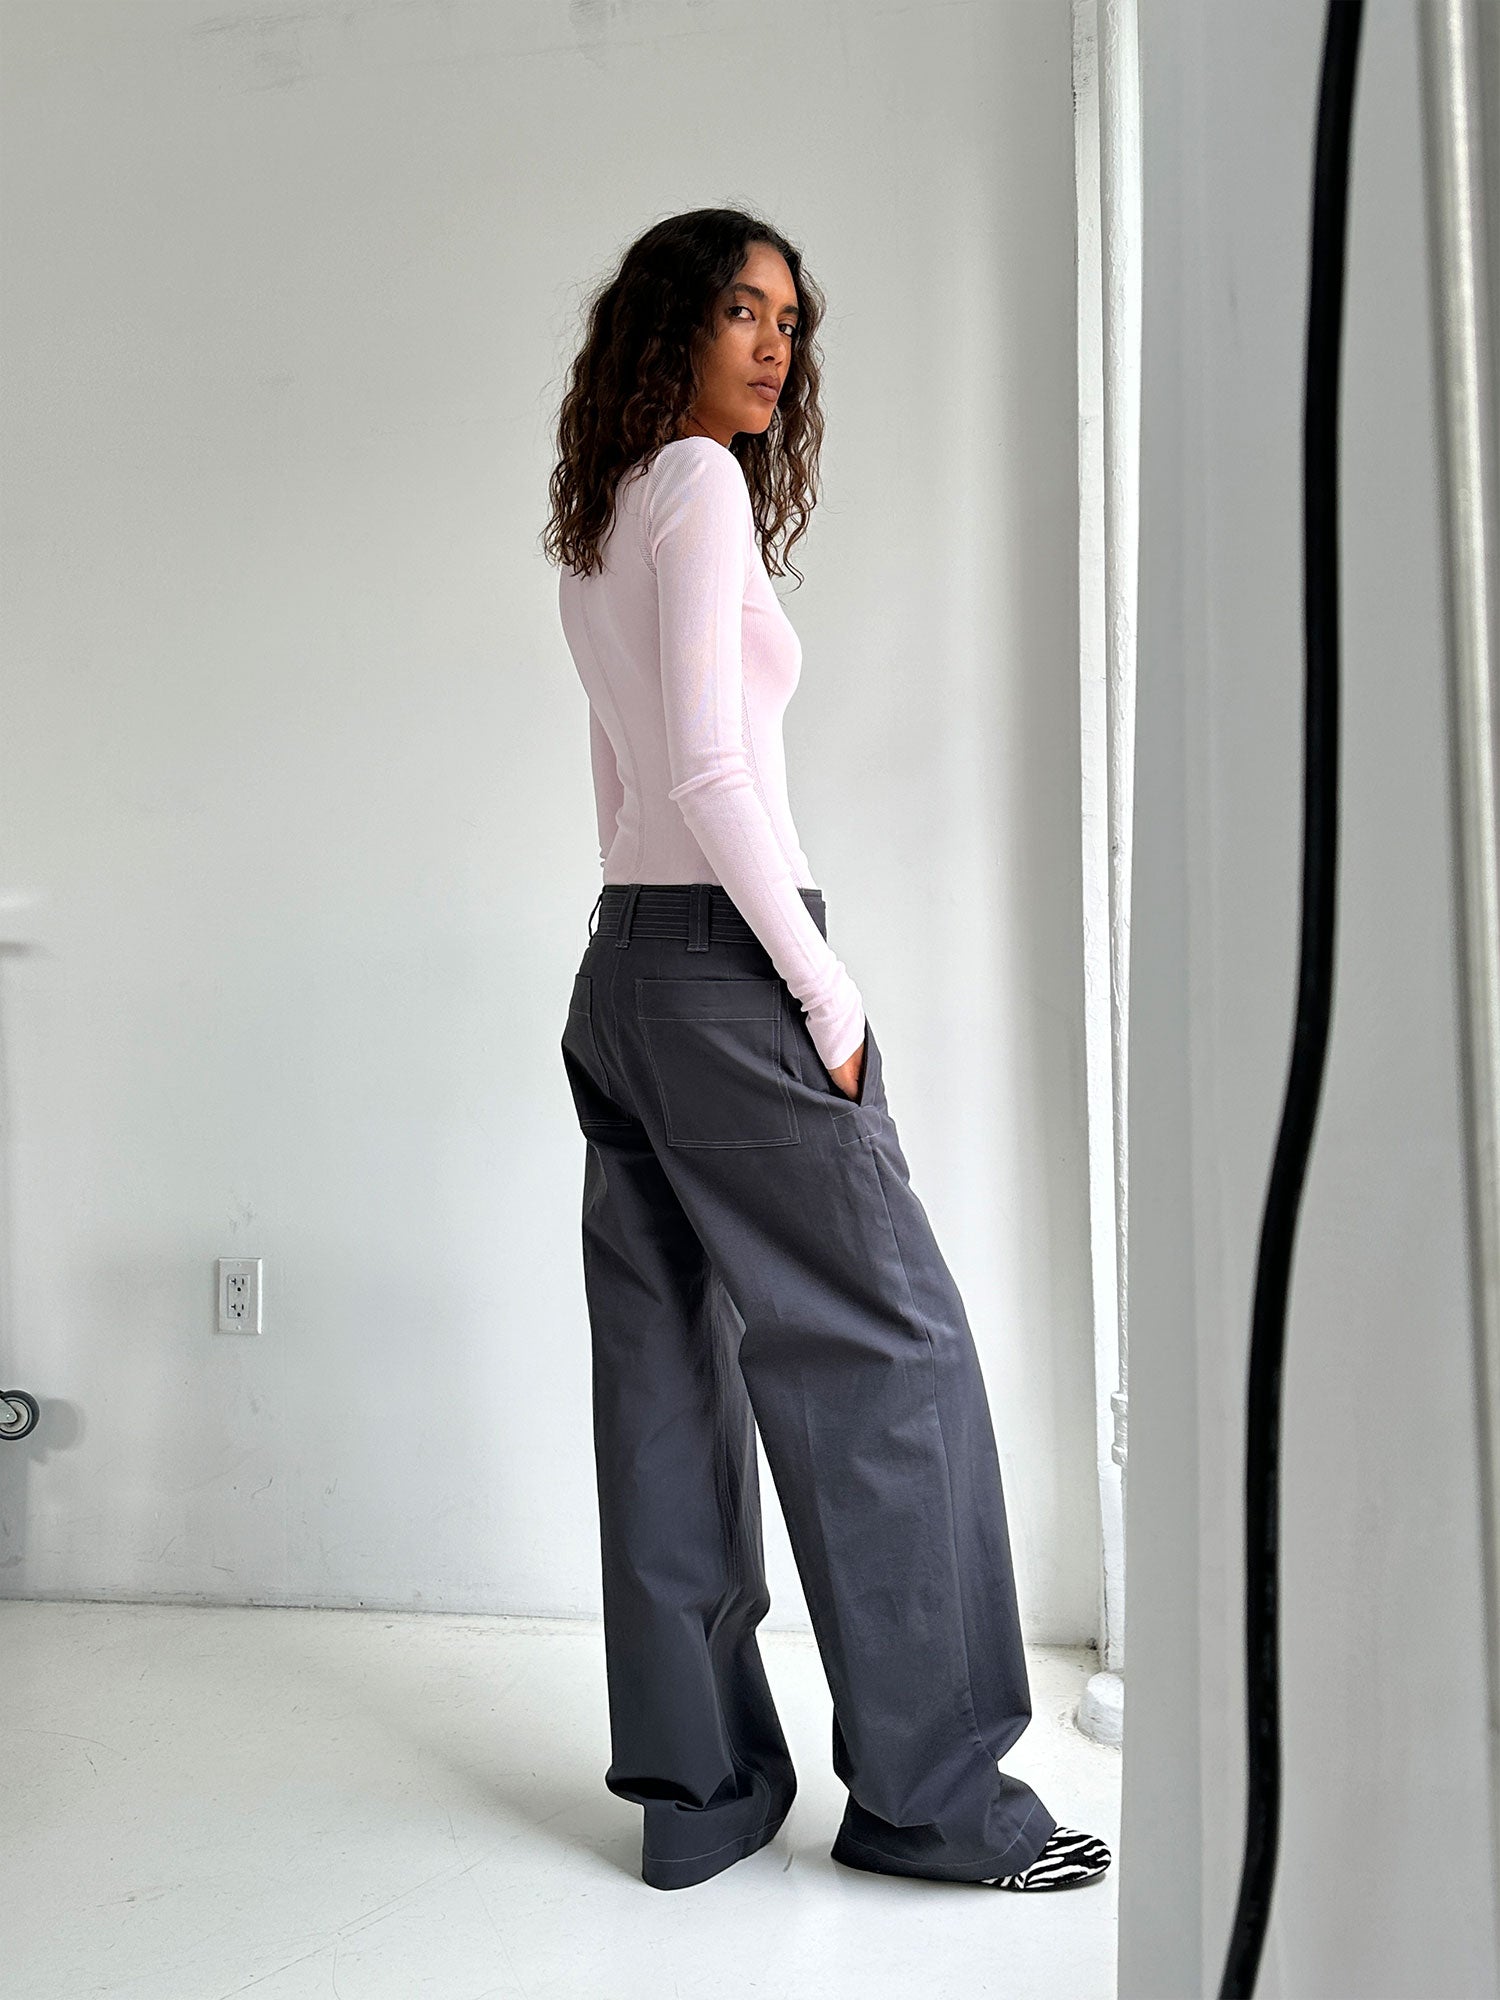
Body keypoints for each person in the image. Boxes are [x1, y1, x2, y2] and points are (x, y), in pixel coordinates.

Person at [542, 206, 1111, 1897]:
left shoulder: (600, 506)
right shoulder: (699, 488)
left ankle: (699, 1796)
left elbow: (621, 780)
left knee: (664, 1382)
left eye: (790, 317)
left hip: (625, 973)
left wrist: (641, 954)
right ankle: (937, 1805)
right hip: (732, 961)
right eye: (740, 310)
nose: (776, 344)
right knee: (890, 1362)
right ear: (672, 326)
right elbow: (712, 776)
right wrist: (826, 989)